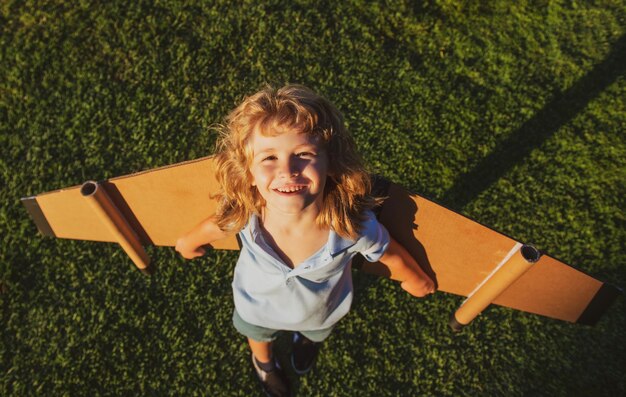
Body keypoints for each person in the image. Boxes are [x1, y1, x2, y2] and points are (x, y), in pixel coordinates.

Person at [175, 84, 435, 397]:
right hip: (256, 307)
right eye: (269, 157)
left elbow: (389, 253)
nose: (288, 170)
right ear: (248, 172)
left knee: (314, 332)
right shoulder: (248, 211)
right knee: (258, 336)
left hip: (320, 311)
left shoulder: (352, 225)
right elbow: (214, 227)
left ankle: (305, 342)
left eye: (303, 154)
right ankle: (264, 363)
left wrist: (415, 278)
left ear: (331, 162)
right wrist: (187, 242)